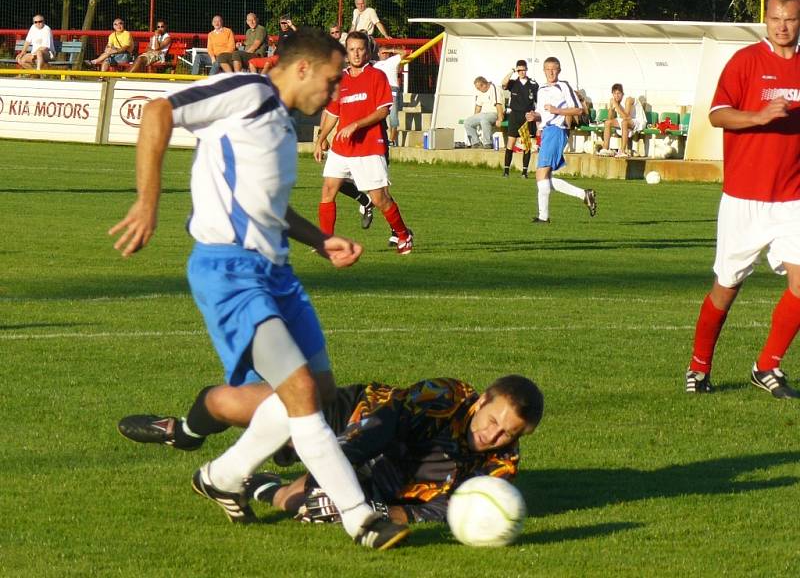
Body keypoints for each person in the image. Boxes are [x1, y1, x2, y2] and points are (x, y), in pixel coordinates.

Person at [108, 27, 409, 550]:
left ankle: (223, 476)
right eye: (333, 81)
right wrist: (148, 201)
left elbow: (270, 208)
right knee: (300, 394)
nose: (335, 94)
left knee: (323, 391)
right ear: (302, 69)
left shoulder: (281, 125)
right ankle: (361, 519)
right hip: (230, 272)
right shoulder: (248, 92)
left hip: (277, 273)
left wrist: (321, 241)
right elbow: (158, 112)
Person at [684, 0, 800, 399]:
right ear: (765, 19)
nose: (782, 26)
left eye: (790, 18)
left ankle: (767, 366)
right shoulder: (745, 61)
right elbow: (717, 115)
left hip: (793, 200)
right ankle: (699, 368)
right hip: (744, 198)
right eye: (775, 18)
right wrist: (759, 116)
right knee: (726, 286)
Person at [249, 375, 543, 525]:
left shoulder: (501, 467)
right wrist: (335, 466)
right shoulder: (445, 396)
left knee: (300, 503)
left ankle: (261, 485)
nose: (493, 435)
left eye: (508, 433)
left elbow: (442, 510)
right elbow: (384, 423)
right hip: (359, 417)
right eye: (492, 420)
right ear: (481, 402)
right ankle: (210, 422)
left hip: (387, 478)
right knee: (259, 409)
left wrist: (372, 511)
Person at [314, 31, 414, 255]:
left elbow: (382, 111)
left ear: (367, 51)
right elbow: (332, 113)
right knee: (328, 190)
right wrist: (320, 139)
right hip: (342, 147)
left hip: (369, 146)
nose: (356, 53)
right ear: (346, 52)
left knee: (380, 198)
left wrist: (356, 125)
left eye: (360, 49)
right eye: (352, 49)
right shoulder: (340, 79)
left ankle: (403, 234)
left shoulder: (376, 76)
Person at [531, 57, 597, 223]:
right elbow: (542, 113)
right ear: (544, 70)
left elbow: (579, 110)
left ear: (559, 70)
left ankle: (543, 217)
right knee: (545, 177)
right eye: (547, 69)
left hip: (557, 130)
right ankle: (584, 194)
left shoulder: (564, 86)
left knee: (541, 173)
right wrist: (534, 116)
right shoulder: (541, 89)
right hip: (546, 131)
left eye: (554, 69)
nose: (551, 72)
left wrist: (557, 110)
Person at [501, 60, 538, 178]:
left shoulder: (532, 84)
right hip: (515, 115)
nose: (522, 72)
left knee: (527, 145)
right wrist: (512, 71)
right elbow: (503, 83)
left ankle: (524, 172)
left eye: (523, 69)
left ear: (526, 69)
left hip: (527, 116)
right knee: (510, 143)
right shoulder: (513, 83)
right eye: (519, 70)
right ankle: (506, 170)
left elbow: (538, 101)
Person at [597, 83, 646, 158]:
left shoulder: (628, 100)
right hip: (626, 120)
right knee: (607, 123)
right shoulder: (615, 101)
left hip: (638, 121)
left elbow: (626, 117)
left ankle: (622, 151)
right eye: (614, 93)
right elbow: (610, 118)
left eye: (618, 93)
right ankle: (605, 148)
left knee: (624, 122)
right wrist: (611, 107)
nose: (616, 95)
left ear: (622, 94)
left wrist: (616, 105)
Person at [373, 44, 406, 147]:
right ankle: (381, 138)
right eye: (382, 52)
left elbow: (405, 53)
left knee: (393, 116)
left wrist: (390, 49)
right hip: (380, 90)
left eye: (386, 52)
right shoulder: (375, 65)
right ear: (378, 54)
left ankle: (392, 140)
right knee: (379, 115)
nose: (384, 54)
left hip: (392, 89)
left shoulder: (392, 60)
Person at [463, 76, 503, 149]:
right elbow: (478, 106)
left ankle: (488, 143)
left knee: (484, 120)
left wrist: (500, 119)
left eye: (479, 88)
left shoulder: (494, 89)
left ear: (484, 85)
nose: (478, 90)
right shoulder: (480, 92)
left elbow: (498, 104)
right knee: (467, 122)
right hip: (483, 115)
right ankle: (476, 142)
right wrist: (474, 118)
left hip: (494, 113)